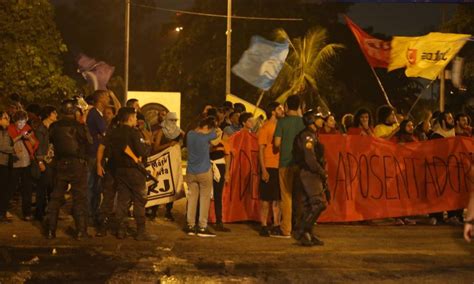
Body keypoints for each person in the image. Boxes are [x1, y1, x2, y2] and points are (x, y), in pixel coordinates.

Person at [46, 99, 92, 240]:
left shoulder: (54, 126)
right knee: (79, 198)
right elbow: (89, 142)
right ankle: (81, 232)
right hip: (77, 164)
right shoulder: (79, 126)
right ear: (73, 111)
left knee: (56, 197)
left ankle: (50, 231)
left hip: (60, 163)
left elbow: (51, 140)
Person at [109, 107, 157, 241]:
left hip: (119, 170)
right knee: (139, 201)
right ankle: (141, 232)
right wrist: (147, 145)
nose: (136, 120)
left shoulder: (114, 132)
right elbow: (142, 151)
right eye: (135, 117)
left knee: (122, 201)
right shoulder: (134, 133)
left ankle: (120, 231)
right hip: (134, 171)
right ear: (130, 118)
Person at [293, 110, 329, 246]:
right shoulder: (307, 136)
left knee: (309, 205)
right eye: (319, 118)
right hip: (308, 173)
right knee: (318, 203)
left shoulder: (312, 135)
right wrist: (321, 171)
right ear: (311, 120)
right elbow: (310, 159)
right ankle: (302, 231)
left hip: (309, 173)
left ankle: (308, 233)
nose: (322, 120)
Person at [274, 95, 305, 238]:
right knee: (299, 196)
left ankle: (286, 229)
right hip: (301, 164)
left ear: (286, 106)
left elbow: (276, 143)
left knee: (286, 197)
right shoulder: (304, 122)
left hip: (285, 163)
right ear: (299, 107)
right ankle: (300, 229)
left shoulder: (282, 123)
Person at [184, 116, 218, 237]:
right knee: (204, 199)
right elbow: (216, 134)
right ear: (206, 128)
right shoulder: (207, 136)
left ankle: (190, 226)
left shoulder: (190, 135)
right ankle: (202, 227)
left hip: (190, 172)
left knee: (192, 198)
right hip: (204, 171)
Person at [429, 111, 463, 225]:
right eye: (449, 118)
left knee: (454, 192)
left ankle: (453, 215)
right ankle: (436, 216)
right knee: (438, 192)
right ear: (443, 121)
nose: (452, 120)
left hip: (453, 170)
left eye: (452, 118)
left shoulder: (456, 134)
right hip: (439, 171)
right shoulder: (436, 136)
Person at [149, 111, 184, 222]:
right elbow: (156, 148)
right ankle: (153, 211)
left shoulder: (179, 132)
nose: (173, 122)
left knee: (172, 184)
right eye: (171, 120)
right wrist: (168, 145)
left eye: (175, 120)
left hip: (172, 163)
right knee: (158, 184)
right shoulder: (161, 131)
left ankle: (169, 211)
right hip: (161, 163)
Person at [257, 102, 285, 237]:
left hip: (279, 166)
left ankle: (276, 224)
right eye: (279, 108)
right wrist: (263, 169)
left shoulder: (281, 126)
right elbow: (261, 149)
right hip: (268, 166)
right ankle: (263, 225)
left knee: (277, 199)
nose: (282, 110)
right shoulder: (265, 127)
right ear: (273, 111)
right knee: (265, 199)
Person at [8, 110, 38, 221]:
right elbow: (8, 143)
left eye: (23, 122)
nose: (21, 125)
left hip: (26, 163)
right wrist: (19, 136)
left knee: (27, 189)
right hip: (14, 163)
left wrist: (29, 138)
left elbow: (35, 143)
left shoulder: (28, 128)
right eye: (19, 122)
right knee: (10, 187)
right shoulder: (10, 129)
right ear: (15, 121)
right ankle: (4, 210)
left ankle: (27, 212)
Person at [86, 90, 109, 225]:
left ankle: (92, 213)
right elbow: (105, 134)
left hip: (95, 153)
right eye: (106, 97)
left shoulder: (97, 114)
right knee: (92, 185)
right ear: (100, 100)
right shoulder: (95, 115)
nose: (108, 100)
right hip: (94, 154)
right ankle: (89, 215)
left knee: (95, 186)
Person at [34, 106, 58, 221]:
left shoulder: (52, 127)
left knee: (51, 187)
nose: (56, 115)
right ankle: (40, 212)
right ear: (48, 114)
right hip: (44, 160)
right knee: (42, 188)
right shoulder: (41, 129)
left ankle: (49, 211)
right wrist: (39, 161)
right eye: (54, 113)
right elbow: (38, 147)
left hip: (52, 160)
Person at [0, 111, 14, 223]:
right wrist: (14, 150)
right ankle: (2, 213)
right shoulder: (2, 131)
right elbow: (2, 146)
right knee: (3, 189)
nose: (8, 119)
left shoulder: (5, 130)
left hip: (4, 162)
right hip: (1, 163)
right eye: (5, 117)